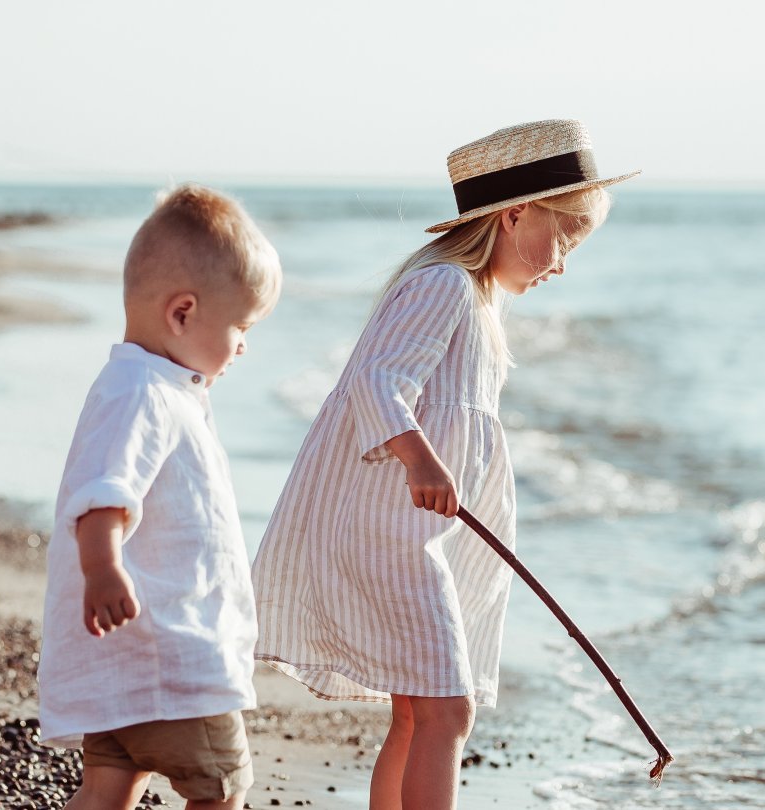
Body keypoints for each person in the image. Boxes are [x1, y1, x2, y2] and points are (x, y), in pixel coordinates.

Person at [250, 119, 634, 810]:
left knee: (418, 710)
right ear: (516, 215)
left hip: (406, 534)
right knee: (447, 711)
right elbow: (376, 381)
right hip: (391, 534)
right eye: (566, 236)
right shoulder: (446, 286)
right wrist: (421, 459)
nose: (565, 262)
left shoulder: (475, 302)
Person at [38, 184, 281, 810]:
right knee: (224, 787)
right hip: (171, 656)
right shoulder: (144, 392)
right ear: (183, 313)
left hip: (128, 663)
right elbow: (103, 491)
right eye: (241, 326)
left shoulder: (145, 384)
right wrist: (103, 566)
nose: (244, 345)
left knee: (106, 790)